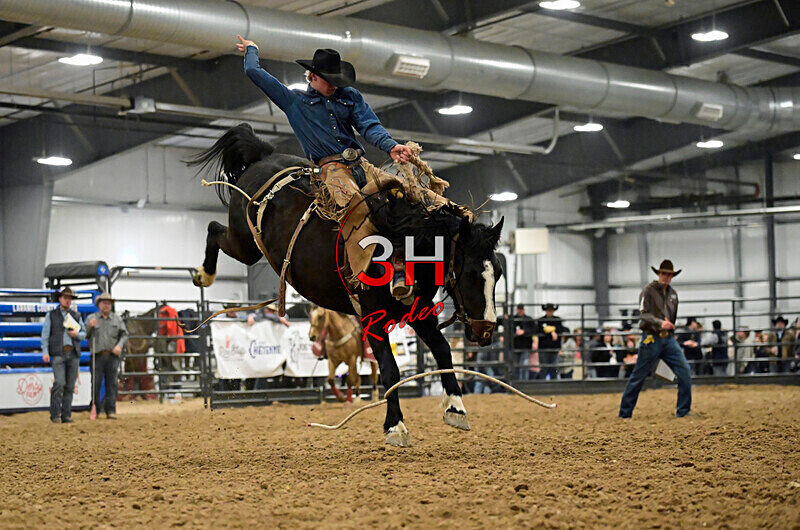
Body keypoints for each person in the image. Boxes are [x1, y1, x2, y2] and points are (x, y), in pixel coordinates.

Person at [235, 37, 471, 301]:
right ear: (312, 76)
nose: (334, 84)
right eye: (329, 79)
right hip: (332, 172)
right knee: (357, 207)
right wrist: (252, 50)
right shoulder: (294, 102)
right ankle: (371, 272)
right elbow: (254, 73)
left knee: (408, 194)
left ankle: (451, 242)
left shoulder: (349, 97)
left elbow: (368, 125)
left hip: (361, 164)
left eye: (336, 79)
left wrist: (390, 146)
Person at [619, 259, 692, 419]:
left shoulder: (673, 294)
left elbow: (672, 316)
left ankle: (684, 411)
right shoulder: (648, 291)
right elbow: (643, 314)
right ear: (659, 274)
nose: (666, 277)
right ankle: (625, 413)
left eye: (669, 274)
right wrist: (660, 323)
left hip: (668, 340)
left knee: (685, 372)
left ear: (672, 276)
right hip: (651, 338)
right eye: (663, 273)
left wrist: (670, 327)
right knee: (638, 376)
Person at [41, 287, 86, 424]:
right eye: (65, 298)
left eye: (69, 298)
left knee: (70, 386)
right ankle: (56, 414)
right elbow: (45, 335)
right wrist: (45, 351)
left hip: (72, 353)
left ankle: (66, 414)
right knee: (60, 383)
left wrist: (76, 335)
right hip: (58, 353)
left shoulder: (76, 316)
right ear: (60, 299)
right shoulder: (52, 315)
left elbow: (83, 334)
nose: (67, 300)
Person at [86, 292, 128, 420]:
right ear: (99, 304)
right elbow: (85, 335)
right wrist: (89, 327)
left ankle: (111, 410)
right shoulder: (91, 318)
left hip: (112, 356)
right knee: (96, 384)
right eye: (104, 303)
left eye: (108, 303)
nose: (106, 305)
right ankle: (95, 410)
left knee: (112, 384)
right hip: (97, 355)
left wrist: (119, 346)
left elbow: (124, 334)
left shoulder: (117, 319)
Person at [535, 303, 569, 380]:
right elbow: (539, 330)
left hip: (554, 348)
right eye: (548, 310)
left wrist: (548, 329)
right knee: (544, 368)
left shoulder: (557, 320)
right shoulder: (541, 320)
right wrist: (552, 331)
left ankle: (554, 383)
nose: (550, 312)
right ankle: (543, 384)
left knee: (554, 368)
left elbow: (560, 329)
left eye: (551, 310)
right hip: (543, 348)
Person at [511, 304, 535, 380]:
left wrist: (524, 332)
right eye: (519, 309)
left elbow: (534, 330)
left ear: (523, 310)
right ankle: (517, 383)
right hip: (515, 347)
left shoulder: (529, 320)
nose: (520, 311)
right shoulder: (512, 320)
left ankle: (523, 383)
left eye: (521, 309)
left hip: (525, 346)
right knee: (516, 367)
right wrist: (515, 333)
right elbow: (509, 331)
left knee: (524, 366)